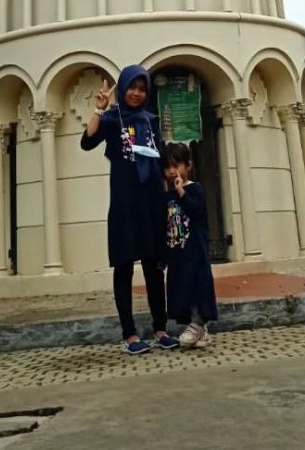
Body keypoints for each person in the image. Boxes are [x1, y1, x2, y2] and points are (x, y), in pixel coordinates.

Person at [81, 65, 180, 355]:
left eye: (142, 88)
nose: (136, 93)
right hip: (125, 202)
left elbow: (160, 157)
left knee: (153, 268)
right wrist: (99, 110)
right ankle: (130, 335)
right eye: (131, 88)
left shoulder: (151, 119)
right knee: (124, 266)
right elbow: (87, 142)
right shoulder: (112, 119)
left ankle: (160, 329)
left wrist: (172, 189)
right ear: (123, 89)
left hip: (152, 202)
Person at [163, 141, 218, 349]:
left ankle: (197, 323)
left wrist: (181, 193)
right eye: (168, 167)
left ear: (188, 166)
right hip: (178, 252)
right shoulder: (168, 196)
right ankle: (199, 330)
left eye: (176, 165)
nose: (172, 171)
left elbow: (196, 211)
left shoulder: (195, 190)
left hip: (195, 251)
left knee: (197, 288)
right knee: (182, 289)